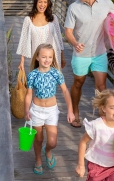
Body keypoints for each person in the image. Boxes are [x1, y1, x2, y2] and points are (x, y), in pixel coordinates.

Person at [64, 0, 114, 128]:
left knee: (101, 85)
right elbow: (68, 31)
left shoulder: (107, 3)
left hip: (99, 53)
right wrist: (75, 43)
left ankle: (103, 116)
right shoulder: (74, 7)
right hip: (81, 54)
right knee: (78, 82)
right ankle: (75, 111)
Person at [24, 43, 75, 175]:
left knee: (52, 142)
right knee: (38, 139)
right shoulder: (32, 75)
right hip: (36, 111)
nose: (47, 60)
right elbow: (29, 94)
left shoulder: (56, 74)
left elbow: (65, 91)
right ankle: (38, 160)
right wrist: (26, 110)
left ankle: (47, 151)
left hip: (51, 111)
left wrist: (70, 110)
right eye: (44, 57)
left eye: (50, 57)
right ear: (37, 58)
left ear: (53, 58)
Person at [17, 0, 65, 71]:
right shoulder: (28, 20)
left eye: (45, 2)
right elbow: (23, 41)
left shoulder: (53, 18)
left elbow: (59, 40)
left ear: (48, 3)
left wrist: (62, 57)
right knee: (37, 82)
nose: (42, 5)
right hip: (37, 58)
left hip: (52, 57)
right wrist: (22, 61)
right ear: (36, 2)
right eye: (40, 2)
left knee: (52, 82)